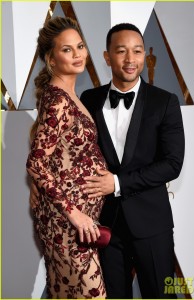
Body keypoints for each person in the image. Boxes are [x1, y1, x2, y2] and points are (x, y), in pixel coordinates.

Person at [30, 22, 185, 299]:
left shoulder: (165, 101)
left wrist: (116, 182)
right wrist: (36, 185)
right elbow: (53, 144)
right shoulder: (88, 98)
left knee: (163, 294)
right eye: (122, 51)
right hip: (102, 225)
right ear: (106, 56)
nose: (131, 59)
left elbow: (172, 163)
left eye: (137, 51)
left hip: (151, 224)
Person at [26, 16, 107, 299]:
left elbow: (52, 155)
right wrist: (74, 214)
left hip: (77, 223)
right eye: (67, 49)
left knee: (66, 293)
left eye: (80, 46)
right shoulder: (59, 99)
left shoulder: (69, 95)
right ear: (51, 58)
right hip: (67, 224)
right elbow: (36, 162)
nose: (77, 54)